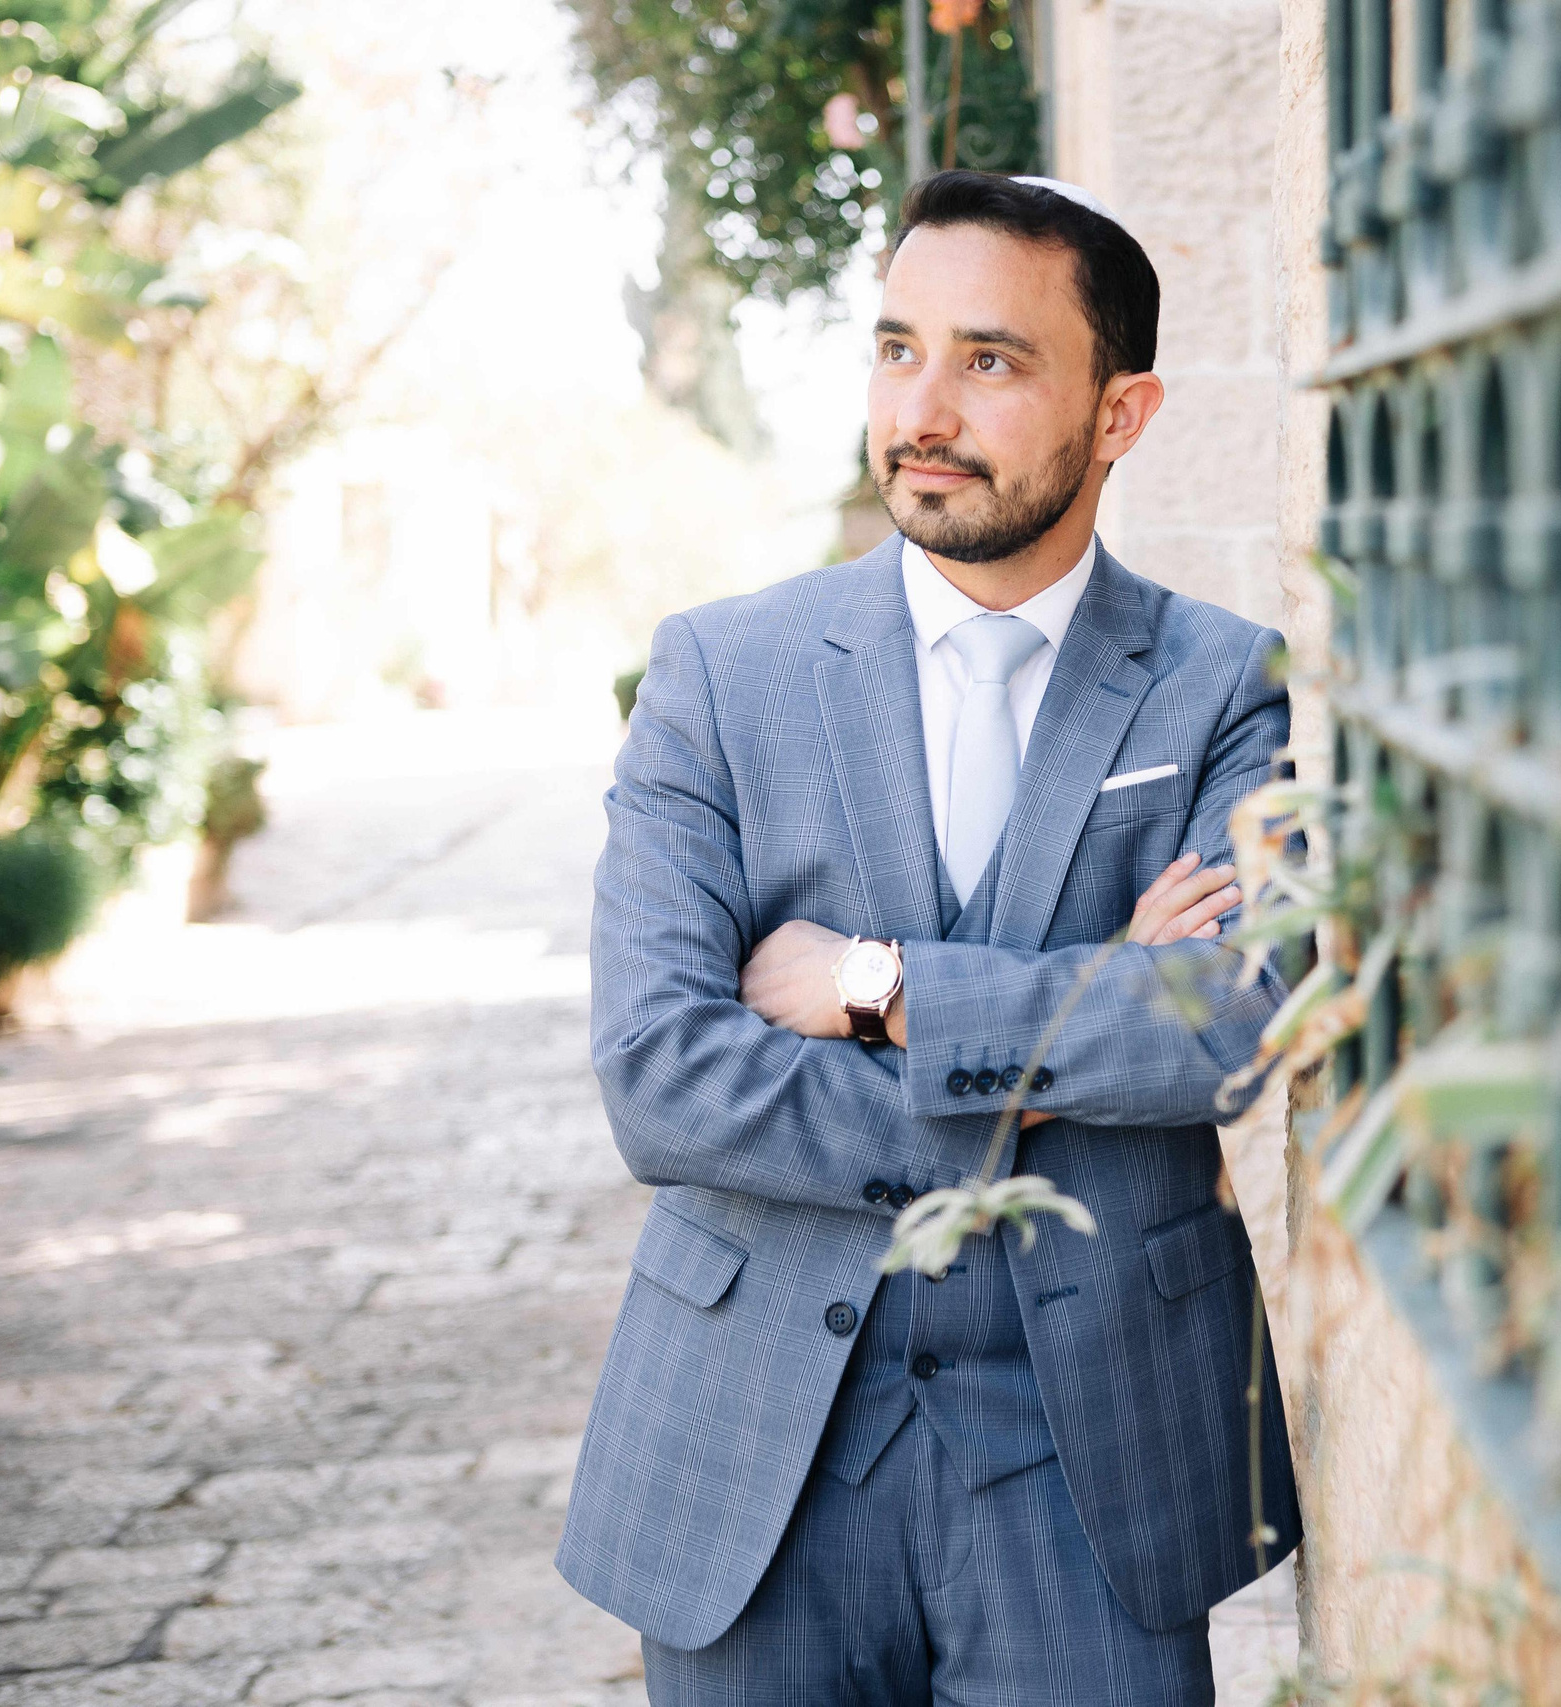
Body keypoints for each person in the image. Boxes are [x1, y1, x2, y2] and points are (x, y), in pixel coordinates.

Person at [556, 169, 1300, 1705]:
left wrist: (874, 986)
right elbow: (661, 1077)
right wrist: (1083, 1024)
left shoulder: (1221, 684)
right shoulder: (721, 676)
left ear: (1121, 412)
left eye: (992, 360)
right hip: (750, 1448)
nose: (924, 410)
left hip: (1092, 1459)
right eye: (897, 349)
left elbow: (1233, 1018)